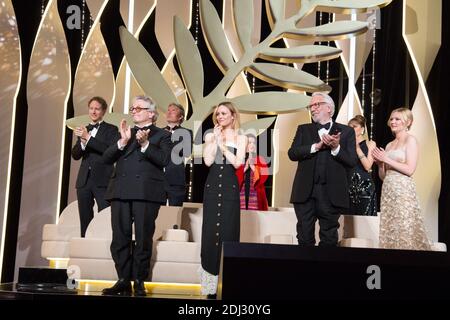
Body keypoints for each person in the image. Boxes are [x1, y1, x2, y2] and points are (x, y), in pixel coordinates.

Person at [101, 96, 172, 296]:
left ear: (151, 113)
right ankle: (123, 279)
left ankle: (139, 280)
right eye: (132, 108)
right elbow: (106, 158)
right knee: (120, 238)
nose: (134, 111)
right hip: (121, 190)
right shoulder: (125, 133)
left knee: (142, 238)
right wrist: (122, 142)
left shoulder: (162, 135)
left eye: (138, 108)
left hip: (145, 193)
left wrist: (146, 145)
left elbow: (165, 160)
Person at [288, 92, 357, 246]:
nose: (313, 109)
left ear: (329, 108)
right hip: (305, 192)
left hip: (331, 194)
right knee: (304, 237)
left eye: (316, 104)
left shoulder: (346, 132)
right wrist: (315, 147)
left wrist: (336, 147)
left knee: (329, 238)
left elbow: (352, 161)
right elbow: (292, 153)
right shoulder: (303, 129)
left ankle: (326, 270)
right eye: (311, 106)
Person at [200, 102, 247, 296]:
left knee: (229, 232)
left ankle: (226, 283)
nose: (219, 117)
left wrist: (223, 147)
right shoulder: (211, 135)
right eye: (217, 114)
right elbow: (208, 161)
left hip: (229, 189)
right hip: (212, 189)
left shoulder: (242, 138)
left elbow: (238, 164)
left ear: (233, 115)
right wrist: (215, 141)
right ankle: (209, 286)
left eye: (223, 113)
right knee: (210, 234)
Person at [372, 107, 431, 250]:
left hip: (404, 191)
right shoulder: (389, 145)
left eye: (397, 119)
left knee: (404, 225)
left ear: (408, 122)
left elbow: (410, 169)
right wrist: (380, 165)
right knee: (391, 227)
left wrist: (387, 159)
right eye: (392, 119)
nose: (393, 121)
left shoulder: (411, 140)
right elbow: (384, 176)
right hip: (388, 191)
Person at [71, 96, 118, 237]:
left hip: (102, 179)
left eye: (97, 109)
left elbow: (108, 150)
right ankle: (85, 244)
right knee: (85, 217)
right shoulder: (85, 129)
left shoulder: (111, 129)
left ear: (103, 111)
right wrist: (82, 142)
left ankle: (103, 245)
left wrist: (89, 138)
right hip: (84, 180)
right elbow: (75, 155)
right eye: (91, 108)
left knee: (104, 214)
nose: (93, 111)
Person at [163, 103, 192, 206]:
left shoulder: (187, 132)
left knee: (175, 212)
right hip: (158, 179)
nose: (169, 112)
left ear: (180, 116)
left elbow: (186, 151)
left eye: (173, 110)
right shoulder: (159, 132)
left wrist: (168, 137)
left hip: (176, 178)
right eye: (168, 110)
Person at [347, 115, 377, 216]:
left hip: (365, 187)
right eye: (349, 127)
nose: (351, 129)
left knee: (365, 221)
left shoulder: (370, 144)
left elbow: (368, 166)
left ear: (362, 129)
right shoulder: (346, 145)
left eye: (354, 126)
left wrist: (358, 148)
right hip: (349, 186)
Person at [236, 134, 269, 210]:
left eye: (254, 143)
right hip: (240, 193)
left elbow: (265, 176)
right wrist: (245, 169)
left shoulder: (260, 159)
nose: (252, 145)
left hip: (256, 195)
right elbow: (233, 178)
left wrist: (253, 167)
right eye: (249, 142)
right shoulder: (238, 159)